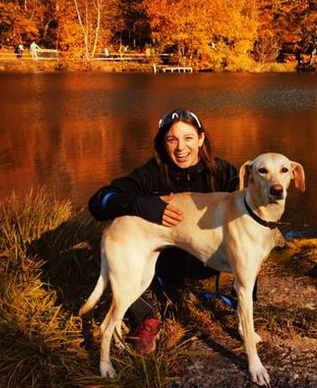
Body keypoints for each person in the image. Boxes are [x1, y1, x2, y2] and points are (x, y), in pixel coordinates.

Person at [88, 109, 239, 355]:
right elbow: (99, 202)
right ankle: (144, 318)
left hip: (211, 263)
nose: (181, 147)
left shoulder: (223, 173)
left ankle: (243, 307)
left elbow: (250, 207)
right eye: (172, 139)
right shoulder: (151, 174)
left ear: (201, 139)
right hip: (166, 267)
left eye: (188, 138)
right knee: (121, 260)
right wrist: (141, 204)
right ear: (163, 143)